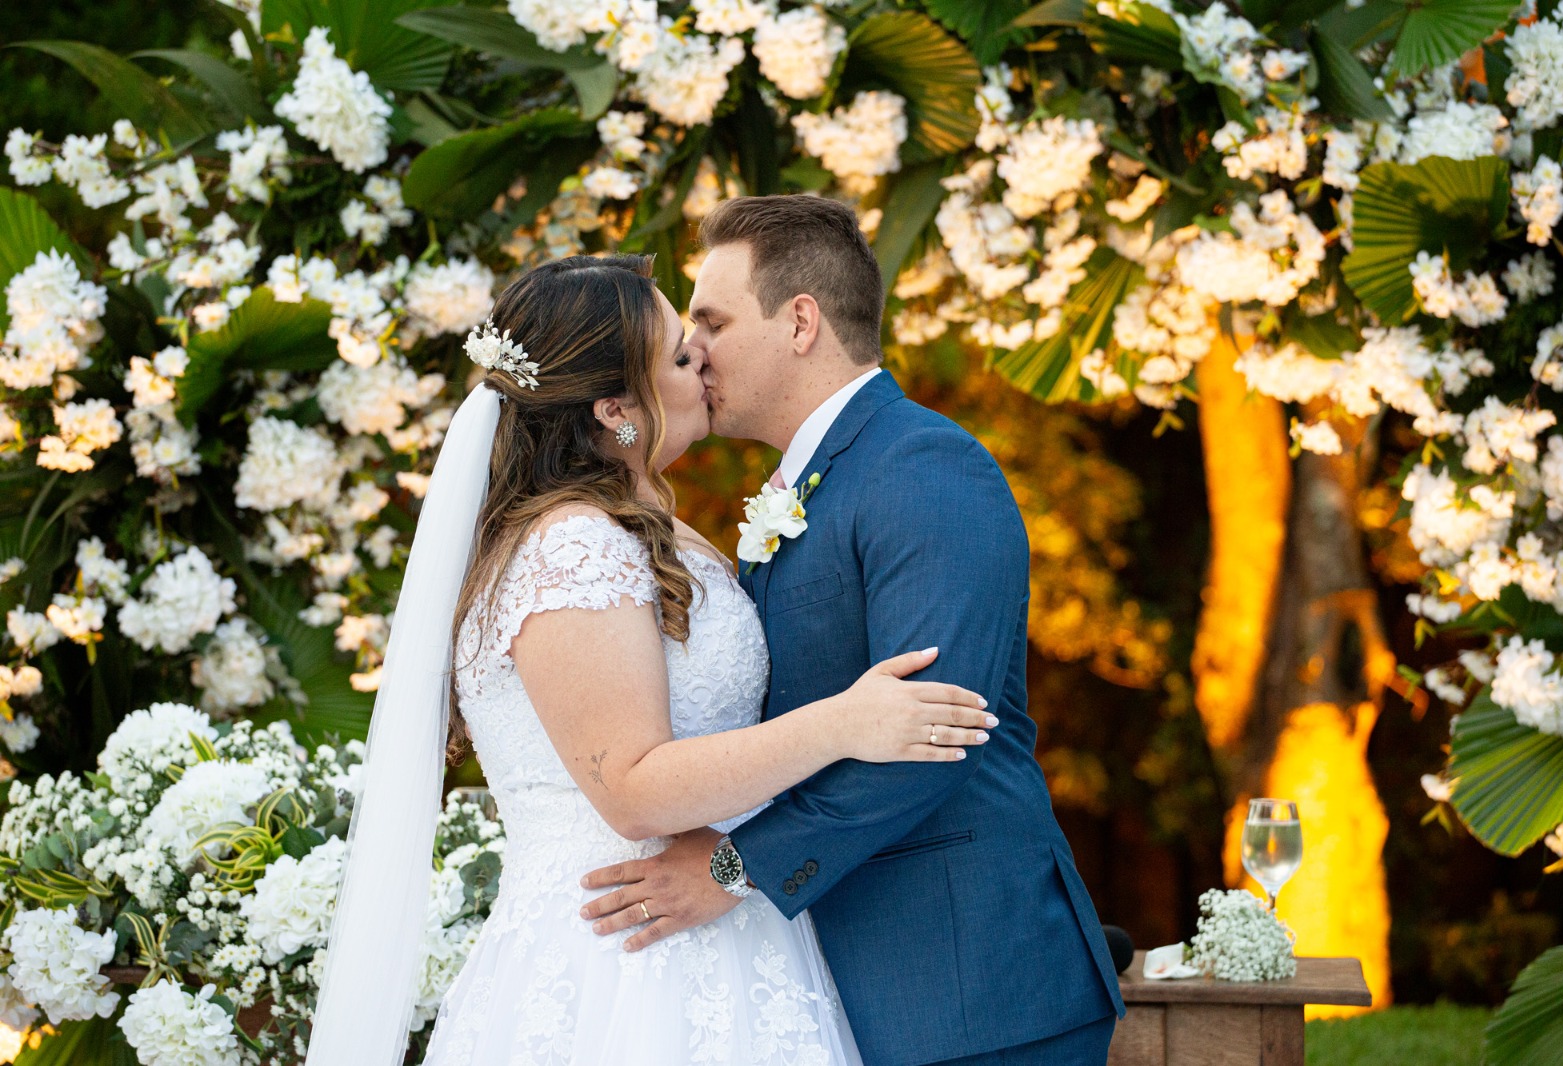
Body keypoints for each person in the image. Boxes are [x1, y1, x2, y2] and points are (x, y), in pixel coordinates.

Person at [304, 253, 995, 1066]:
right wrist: (846, 723)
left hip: (715, 929)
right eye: (677, 353)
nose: (702, 354)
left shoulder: (642, 529)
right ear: (615, 410)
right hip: (627, 957)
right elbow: (633, 790)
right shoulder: (571, 546)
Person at [578, 196, 1126, 1065]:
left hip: (966, 987)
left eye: (714, 320)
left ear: (800, 322)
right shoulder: (815, 483)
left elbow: (932, 730)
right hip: (844, 980)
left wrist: (734, 868)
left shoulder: (921, 466)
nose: (691, 350)